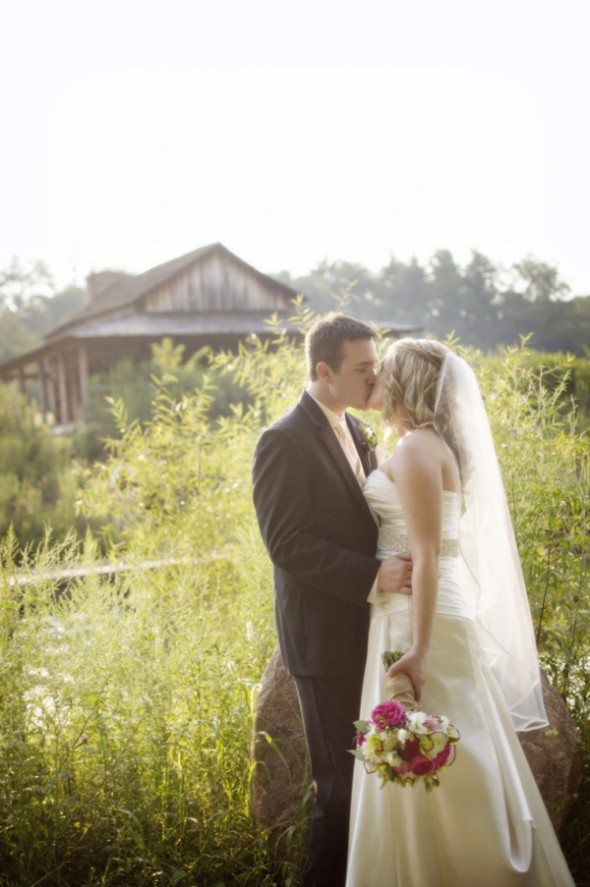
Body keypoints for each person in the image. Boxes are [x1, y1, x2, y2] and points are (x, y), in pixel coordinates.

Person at [346, 338, 575, 886]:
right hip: (409, 609)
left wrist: (420, 650)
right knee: (442, 747)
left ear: (407, 383)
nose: (376, 377)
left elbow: (426, 554)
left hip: (420, 618)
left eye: (385, 370)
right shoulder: (418, 445)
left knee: (446, 753)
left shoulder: (419, 451)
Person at [252, 313, 412, 887]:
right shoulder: (283, 439)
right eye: (364, 369)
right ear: (324, 371)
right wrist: (376, 576)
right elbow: (286, 543)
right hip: (323, 639)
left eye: (378, 365)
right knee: (339, 790)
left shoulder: (358, 429)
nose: (376, 378)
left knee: (375, 780)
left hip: (371, 631)